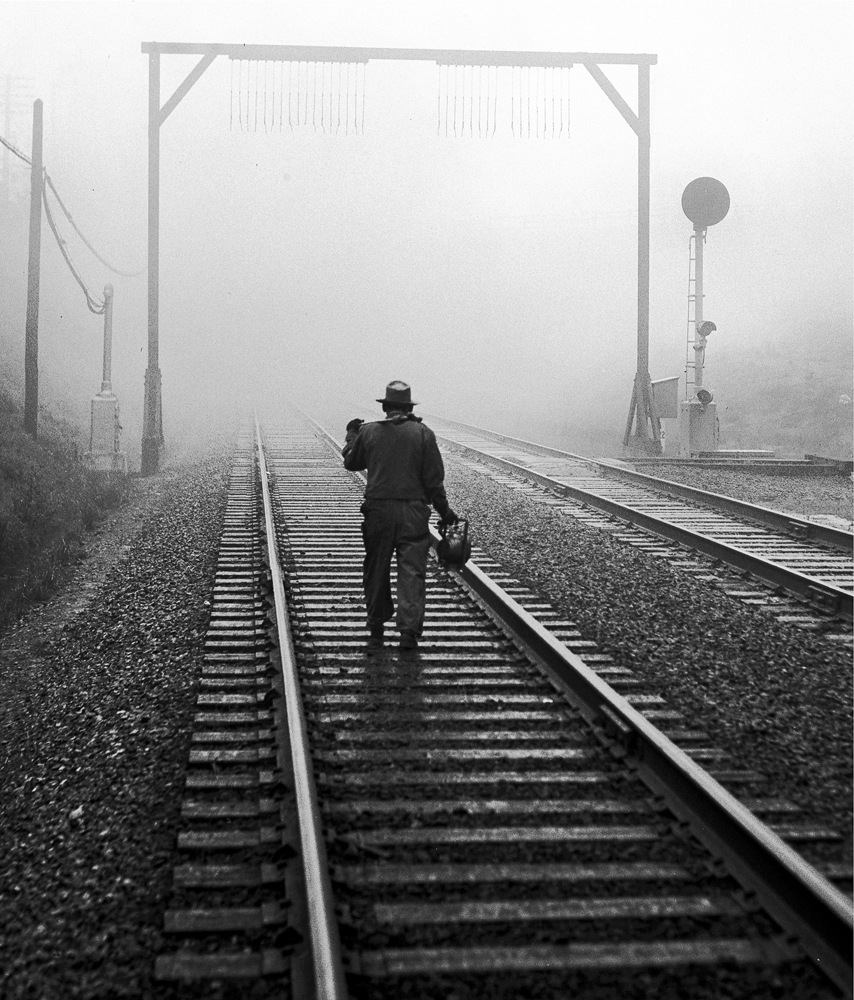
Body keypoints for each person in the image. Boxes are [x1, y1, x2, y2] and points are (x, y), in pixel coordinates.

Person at [342, 381, 458, 652]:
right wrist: (445, 512)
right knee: (412, 572)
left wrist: (351, 434)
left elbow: (351, 462)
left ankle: (376, 629)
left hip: (378, 512)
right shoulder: (423, 434)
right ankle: (407, 634)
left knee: (376, 569)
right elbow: (434, 483)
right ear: (408, 407)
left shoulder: (368, 432)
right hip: (413, 514)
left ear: (384, 407)